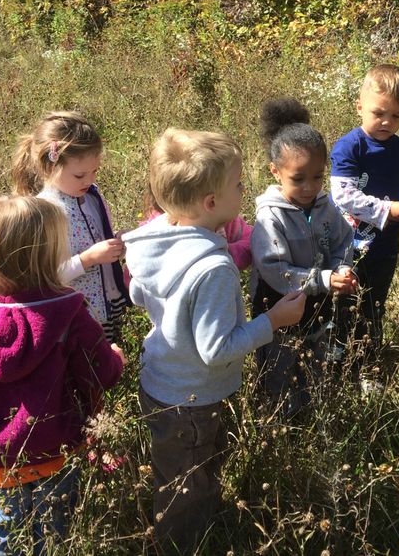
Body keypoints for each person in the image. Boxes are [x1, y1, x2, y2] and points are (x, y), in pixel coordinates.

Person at [123, 128, 306, 554]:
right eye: (238, 185)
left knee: (178, 472)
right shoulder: (213, 269)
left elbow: (138, 294)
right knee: (187, 484)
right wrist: (273, 321)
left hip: (160, 381)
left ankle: (190, 527)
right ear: (211, 203)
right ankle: (183, 545)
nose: (244, 191)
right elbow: (216, 349)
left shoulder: (153, 239)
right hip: (192, 396)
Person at [0, 195, 124, 556]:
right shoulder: (68, 310)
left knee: (4, 530)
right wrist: (116, 359)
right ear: (49, 254)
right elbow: (99, 373)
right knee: (53, 532)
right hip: (56, 447)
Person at [250, 98, 357, 415]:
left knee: (314, 356)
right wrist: (324, 278)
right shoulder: (270, 218)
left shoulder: (325, 206)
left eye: (317, 177)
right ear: (275, 171)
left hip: (318, 304)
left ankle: (310, 410)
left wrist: (343, 267)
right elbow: (275, 270)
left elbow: (343, 240)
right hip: (278, 307)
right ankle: (281, 418)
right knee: (279, 364)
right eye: (298, 178)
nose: (309, 187)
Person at [330, 65, 399, 390]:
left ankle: (368, 366)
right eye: (379, 113)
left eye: (396, 116)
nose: (387, 122)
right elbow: (342, 195)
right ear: (359, 106)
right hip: (348, 246)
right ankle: (338, 367)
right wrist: (388, 210)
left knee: (375, 307)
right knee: (344, 307)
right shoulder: (349, 147)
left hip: (384, 246)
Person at [12, 110, 131, 343]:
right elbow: (44, 277)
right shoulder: (45, 212)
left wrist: (117, 243)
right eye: (80, 175)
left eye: (95, 171)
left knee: (112, 368)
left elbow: (99, 239)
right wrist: (88, 259)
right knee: (88, 373)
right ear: (49, 167)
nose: (89, 180)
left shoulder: (92, 196)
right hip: (79, 314)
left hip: (110, 303)